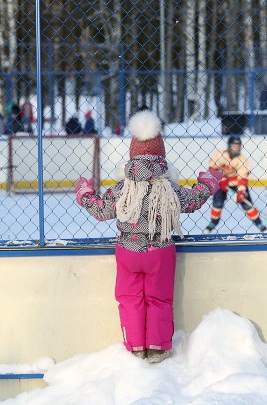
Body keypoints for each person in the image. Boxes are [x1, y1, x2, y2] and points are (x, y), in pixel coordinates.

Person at [74, 110, 221, 363]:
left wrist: (85, 194)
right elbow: (193, 200)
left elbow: (101, 210)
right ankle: (158, 347)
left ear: (132, 157)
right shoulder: (168, 187)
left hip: (128, 251)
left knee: (130, 300)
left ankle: (134, 346)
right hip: (160, 252)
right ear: (161, 157)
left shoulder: (123, 188)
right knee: (159, 299)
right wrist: (207, 184)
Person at [204, 136, 267, 233]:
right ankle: (213, 222)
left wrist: (241, 191)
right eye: (234, 146)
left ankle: (259, 224)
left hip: (235, 182)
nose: (236, 148)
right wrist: (222, 179)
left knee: (247, 204)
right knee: (217, 203)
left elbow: (242, 178)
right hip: (220, 181)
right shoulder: (219, 154)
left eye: (238, 146)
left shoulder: (242, 159)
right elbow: (212, 169)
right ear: (229, 146)